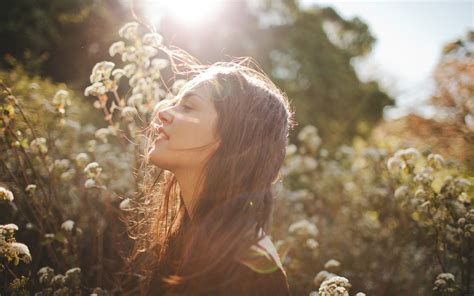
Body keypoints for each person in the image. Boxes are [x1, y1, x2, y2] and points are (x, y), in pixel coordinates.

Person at [121, 56, 296, 296]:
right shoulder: (188, 238)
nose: (162, 113)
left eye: (188, 106)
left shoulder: (248, 273)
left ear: (234, 139)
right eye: (175, 103)